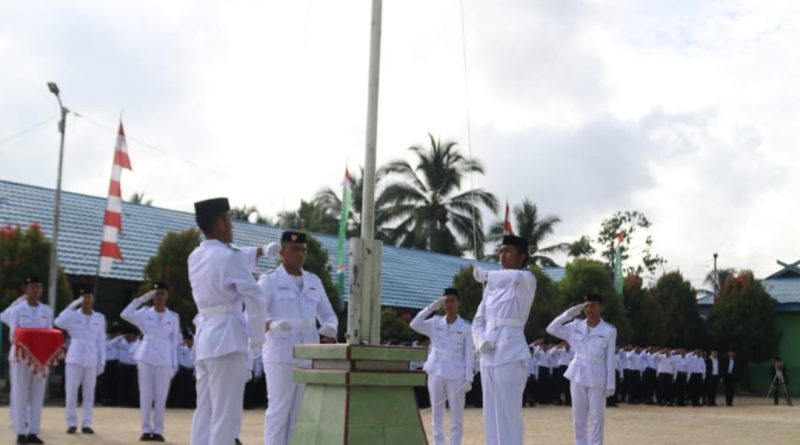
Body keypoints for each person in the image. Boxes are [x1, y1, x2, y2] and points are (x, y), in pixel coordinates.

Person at [188, 197, 266, 445]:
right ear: (220, 223)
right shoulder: (229, 257)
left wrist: (260, 251)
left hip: (205, 340)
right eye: (230, 220)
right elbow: (254, 298)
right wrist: (257, 341)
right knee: (225, 416)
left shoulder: (195, 256)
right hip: (228, 339)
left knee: (205, 412)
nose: (232, 226)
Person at [259, 230, 339, 445]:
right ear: (282, 251)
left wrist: (330, 327)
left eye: (303, 250)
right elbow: (251, 317)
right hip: (280, 353)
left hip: (308, 353)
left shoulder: (313, 281)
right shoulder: (269, 281)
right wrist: (272, 324)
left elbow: (328, 314)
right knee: (278, 410)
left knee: (300, 413)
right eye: (294, 249)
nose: (300, 254)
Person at [472, 235, 536, 445]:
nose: (502, 255)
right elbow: (478, 321)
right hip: (489, 356)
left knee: (508, 416)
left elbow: (513, 277)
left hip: (510, 354)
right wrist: (480, 341)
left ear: (522, 256)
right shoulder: (491, 288)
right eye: (500, 251)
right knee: (490, 416)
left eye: (508, 250)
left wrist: (487, 275)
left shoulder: (526, 280)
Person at [547, 294, 617, 445]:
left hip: (598, 376)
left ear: (601, 308)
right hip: (578, 373)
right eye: (587, 305)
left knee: (597, 417)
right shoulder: (575, 326)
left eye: (593, 305)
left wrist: (611, 384)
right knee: (578, 417)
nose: (590, 309)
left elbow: (610, 358)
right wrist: (570, 313)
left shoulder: (609, 330)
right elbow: (551, 328)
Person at [409, 288, 474, 445]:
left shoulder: (466, 327)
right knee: (436, 413)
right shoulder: (435, 322)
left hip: (456, 373)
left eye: (452, 301)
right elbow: (414, 324)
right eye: (445, 301)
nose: (448, 304)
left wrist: (468, 378)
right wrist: (431, 307)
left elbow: (469, 354)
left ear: (459, 303)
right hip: (436, 371)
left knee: (456, 416)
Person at [121, 282, 180, 442]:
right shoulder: (144, 313)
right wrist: (142, 298)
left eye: (162, 293)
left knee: (161, 396)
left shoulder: (173, 317)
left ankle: (159, 430)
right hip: (146, 356)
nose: (159, 297)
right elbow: (125, 314)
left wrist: (174, 365)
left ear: (167, 296)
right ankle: (146, 429)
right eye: (157, 294)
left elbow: (174, 342)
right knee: (146, 395)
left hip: (164, 358)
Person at [1, 275, 54, 445]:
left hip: (41, 359)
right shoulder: (17, 310)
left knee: (37, 395)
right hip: (21, 357)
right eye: (32, 287)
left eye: (38, 287)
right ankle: (20, 433)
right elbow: (13, 335)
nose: (36, 290)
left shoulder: (46, 311)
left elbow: (49, 334)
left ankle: (33, 431)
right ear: (26, 290)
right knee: (20, 394)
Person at [54, 285, 106, 434]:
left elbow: (101, 341)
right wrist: (74, 304)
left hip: (91, 357)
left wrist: (102, 361)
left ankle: (86, 423)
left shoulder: (99, 318)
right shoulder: (72, 315)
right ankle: (71, 423)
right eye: (84, 297)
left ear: (93, 299)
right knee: (71, 392)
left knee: (89, 393)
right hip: (75, 356)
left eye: (89, 297)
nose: (87, 300)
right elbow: (58, 321)